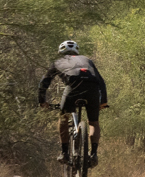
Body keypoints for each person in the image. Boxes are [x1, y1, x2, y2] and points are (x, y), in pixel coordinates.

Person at [38, 39, 109, 168]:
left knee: (64, 118)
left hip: (73, 87)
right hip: (92, 89)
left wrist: (42, 101)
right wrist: (103, 101)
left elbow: (44, 83)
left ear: (61, 52)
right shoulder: (87, 60)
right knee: (93, 122)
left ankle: (64, 153)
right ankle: (93, 154)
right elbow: (102, 82)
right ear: (77, 51)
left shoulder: (57, 62)